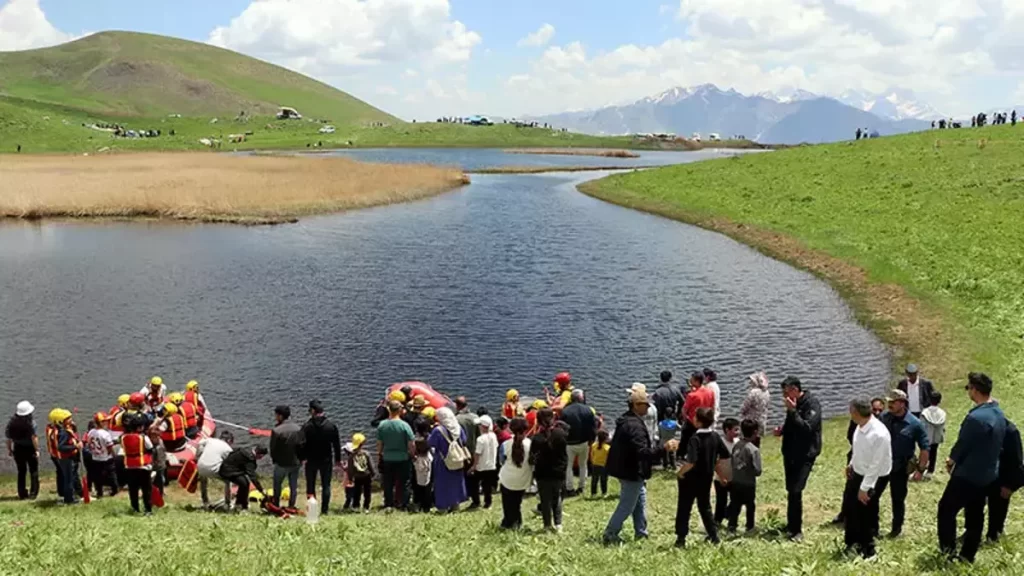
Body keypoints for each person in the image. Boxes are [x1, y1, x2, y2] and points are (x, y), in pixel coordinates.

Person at [938, 372, 1007, 563]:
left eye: (969, 388)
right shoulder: (999, 413)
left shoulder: (975, 418)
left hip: (967, 475)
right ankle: (968, 555)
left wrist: (951, 460)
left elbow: (963, 444)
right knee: (976, 515)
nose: (968, 391)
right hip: (988, 475)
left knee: (946, 510)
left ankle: (948, 551)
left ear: (975, 390)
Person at [602, 388, 656, 544]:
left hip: (625, 468)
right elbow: (643, 452)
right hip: (632, 471)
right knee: (626, 505)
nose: (648, 407)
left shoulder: (626, 420)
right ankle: (610, 533)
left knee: (640, 500)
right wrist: (663, 450)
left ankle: (641, 532)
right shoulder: (635, 426)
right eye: (645, 404)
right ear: (636, 405)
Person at [773, 376, 822, 542]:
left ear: (795, 389)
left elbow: (807, 428)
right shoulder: (793, 404)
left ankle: (797, 531)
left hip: (805, 454)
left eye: (787, 392)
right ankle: (791, 524)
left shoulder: (811, 404)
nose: (785, 396)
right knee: (790, 489)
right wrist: (783, 430)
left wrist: (793, 411)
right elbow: (792, 423)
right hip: (790, 453)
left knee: (796, 490)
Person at [844, 398, 892, 559]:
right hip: (858, 471)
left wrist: (865, 488)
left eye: (851, 411)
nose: (849, 413)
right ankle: (852, 542)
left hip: (875, 476)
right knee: (850, 507)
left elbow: (876, 465)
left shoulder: (879, 434)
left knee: (865, 511)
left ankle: (869, 550)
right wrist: (852, 464)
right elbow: (857, 448)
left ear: (857, 413)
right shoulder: (860, 426)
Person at [675, 407, 730, 547]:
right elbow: (724, 455)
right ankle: (713, 535)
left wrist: (680, 472)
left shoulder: (695, 438)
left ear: (698, 422)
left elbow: (691, 462)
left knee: (684, 507)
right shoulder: (715, 437)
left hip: (690, 479)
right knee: (705, 507)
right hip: (706, 478)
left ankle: (681, 538)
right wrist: (715, 467)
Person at [880, 389, 929, 538]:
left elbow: (925, 448)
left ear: (902, 403)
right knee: (872, 495)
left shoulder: (915, 424)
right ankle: (872, 527)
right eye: (889, 402)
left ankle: (896, 529)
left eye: (893, 402)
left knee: (898, 499)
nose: (890, 405)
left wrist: (920, 469)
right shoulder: (884, 418)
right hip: (882, 465)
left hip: (900, 468)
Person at [530, 408, 568, 532]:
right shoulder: (561, 434)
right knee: (556, 498)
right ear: (553, 419)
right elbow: (564, 454)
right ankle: (558, 524)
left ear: (538, 421)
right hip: (558, 472)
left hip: (542, 473)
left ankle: (547, 525)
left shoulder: (536, 438)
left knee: (544, 500)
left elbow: (532, 457)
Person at [987, 418, 1024, 543]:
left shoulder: (1010, 431)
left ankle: (994, 534)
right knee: (973, 505)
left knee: (998, 506)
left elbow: (1016, 461)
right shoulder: (980, 426)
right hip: (981, 474)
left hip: (1002, 478)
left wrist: (1010, 485)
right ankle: (971, 532)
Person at [302, 400, 341, 515]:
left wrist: (302, 458)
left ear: (313, 411)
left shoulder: (307, 426)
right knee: (326, 486)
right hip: (326, 460)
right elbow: (336, 445)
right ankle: (324, 510)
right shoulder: (331, 426)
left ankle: (312, 511)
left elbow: (301, 444)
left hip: (310, 460)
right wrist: (337, 460)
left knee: (310, 485)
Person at [428, 407, 469, 512]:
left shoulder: (438, 430)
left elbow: (431, 443)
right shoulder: (458, 428)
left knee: (442, 483)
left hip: (443, 460)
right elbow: (464, 441)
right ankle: (455, 505)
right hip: (457, 459)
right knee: (456, 482)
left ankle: (442, 507)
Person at [377, 400, 415, 510]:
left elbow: (379, 444)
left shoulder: (382, 425)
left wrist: (380, 455)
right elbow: (411, 444)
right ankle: (403, 503)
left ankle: (388, 503)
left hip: (388, 458)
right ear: (399, 410)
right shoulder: (405, 426)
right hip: (403, 458)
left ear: (389, 410)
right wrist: (412, 455)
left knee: (388, 482)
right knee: (405, 482)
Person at [727, 419, 762, 534]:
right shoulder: (753, 450)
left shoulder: (737, 445)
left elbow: (732, 461)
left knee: (735, 505)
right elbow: (758, 471)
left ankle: (732, 526)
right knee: (750, 506)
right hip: (748, 483)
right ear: (755, 432)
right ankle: (750, 526)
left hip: (736, 481)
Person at [561, 389, 597, 495]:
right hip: (584, 442)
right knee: (583, 464)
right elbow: (593, 428)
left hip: (569, 443)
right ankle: (581, 487)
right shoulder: (588, 410)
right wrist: (592, 440)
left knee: (568, 466)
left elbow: (561, 427)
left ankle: (569, 488)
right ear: (581, 398)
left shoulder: (565, 411)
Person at [499, 417, 533, 529]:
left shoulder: (505, 444)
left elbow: (501, 461)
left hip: (507, 479)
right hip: (523, 480)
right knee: (517, 502)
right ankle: (517, 522)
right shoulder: (530, 444)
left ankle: (508, 522)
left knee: (507, 503)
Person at [270, 405, 304, 510]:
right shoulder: (298, 428)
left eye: (276, 415)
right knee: (293, 485)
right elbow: (302, 445)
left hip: (281, 463)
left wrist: (275, 460)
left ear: (280, 416)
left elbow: (273, 449)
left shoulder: (276, 430)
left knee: (277, 485)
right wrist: (301, 459)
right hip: (296, 462)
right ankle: (292, 505)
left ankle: (276, 504)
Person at [120, 414, 155, 515]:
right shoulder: (143, 438)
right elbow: (150, 448)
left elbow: (124, 448)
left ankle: (135, 508)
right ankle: (148, 510)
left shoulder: (123, 438)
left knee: (133, 490)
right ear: (140, 427)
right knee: (146, 489)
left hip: (129, 466)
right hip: (143, 466)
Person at [6, 401, 40, 500]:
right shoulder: (31, 423)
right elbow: (34, 438)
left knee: (21, 471)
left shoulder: (11, 423)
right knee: (33, 470)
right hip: (30, 449)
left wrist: (9, 449)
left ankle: (22, 493)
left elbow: (8, 438)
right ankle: (33, 493)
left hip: (18, 448)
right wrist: (37, 450)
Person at [219, 445, 269, 511]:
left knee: (244, 482)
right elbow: (252, 477)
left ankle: (240, 503)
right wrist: (261, 490)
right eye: (262, 456)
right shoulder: (249, 459)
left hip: (225, 468)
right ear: (260, 455)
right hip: (229, 472)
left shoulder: (246, 450)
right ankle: (241, 506)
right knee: (244, 483)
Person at [454, 396, 481, 508]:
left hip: (462, 451)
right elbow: (479, 434)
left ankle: (463, 496)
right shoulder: (475, 417)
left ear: (457, 405)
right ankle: (476, 500)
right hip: (474, 450)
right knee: (474, 477)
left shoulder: (456, 419)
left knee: (461, 475)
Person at [196, 431, 234, 509]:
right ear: (229, 440)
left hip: (200, 467)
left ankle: (205, 501)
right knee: (228, 481)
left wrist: (198, 455)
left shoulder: (210, 440)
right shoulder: (228, 448)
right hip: (212, 469)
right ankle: (228, 503)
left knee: (203, 480)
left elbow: (200, 443)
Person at [714, 418, 740, 525]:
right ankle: (717, 521)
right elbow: (715, 462)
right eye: (735, 430)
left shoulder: (738, 442)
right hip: (721, 478)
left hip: (734, 478)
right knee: (721, 501)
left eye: (738, 430)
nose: (738, 432)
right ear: (727, 430)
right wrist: (721, 477)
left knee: (736, 500)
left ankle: (730, 518)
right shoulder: (720, 443)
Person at [86, 412, 117, 498]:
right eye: (105, 421)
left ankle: (99, 492)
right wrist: (113, 455)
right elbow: (110, 447)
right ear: (100, 422)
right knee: (111, 474)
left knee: (97, 476)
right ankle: (114, 490)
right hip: (106, 457)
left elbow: (89, 444)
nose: (107, 422)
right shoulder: (105, 434)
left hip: (95, 457)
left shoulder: (91, 432)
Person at [681, 372, 714, 450]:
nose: (690, 381)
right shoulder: (710, 392)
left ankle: (682, 456)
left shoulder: (692, 395)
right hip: (705, 421)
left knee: (686, 442)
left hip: (693, 422)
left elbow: (684, 410)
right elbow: (712, 407)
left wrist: (686, 419)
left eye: (692, 380)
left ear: (696, 381)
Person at [472, 415, 499, 508]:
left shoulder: (480, 439)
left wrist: (474, 466)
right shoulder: (493, 436)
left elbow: (477, 453)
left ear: (482, 426)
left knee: (474, 483)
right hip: (491, 465)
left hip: (481, 466)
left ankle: (476, 501)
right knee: (487, 485)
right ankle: (488, 503)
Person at [344, 433, 374, 512]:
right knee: (367, 492)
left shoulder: (351, 456)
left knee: (357, 492)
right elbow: (370, 465)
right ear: (362, 443)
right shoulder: (366, 454)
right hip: (367, 475)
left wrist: (350, 478)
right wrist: (373, 473)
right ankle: (366, 507)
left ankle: (356, 506)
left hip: (357, 477)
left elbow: (350, 468)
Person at [739, 372, 770, 445]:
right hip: (761, 420)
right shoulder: (766, 392)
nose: (750, 383)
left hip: (751, 421)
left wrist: (742, 413)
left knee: (748, 442)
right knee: (757, 441)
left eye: (752, 381)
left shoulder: (753, 392)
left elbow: (745, 406)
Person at [921, 392, 946, 478]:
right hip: (936, 437)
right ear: (939, 401)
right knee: (934, 453)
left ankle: (922, 469)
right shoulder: (942, 413)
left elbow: (922, 425)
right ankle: (930, 471)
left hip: (927, 437)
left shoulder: (925, 412)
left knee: (924, 453)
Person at [412, 425, 433, 513]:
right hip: (427, 461)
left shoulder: (415, 439)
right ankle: (427, 506)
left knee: (416, 484)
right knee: (428, 484)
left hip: (417, 461)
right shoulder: (429, 438)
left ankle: (417, 504)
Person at [589, 429, 611, 497]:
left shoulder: (593, 445)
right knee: (603, 480)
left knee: (594, 480)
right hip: (604, 466)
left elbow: (592, 455)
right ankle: (604, 493)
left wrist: (592, 461)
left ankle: (593, 493)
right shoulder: (607, 448)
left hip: (595, 465)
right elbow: (609, 458)